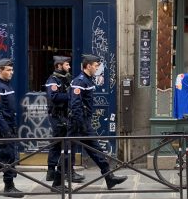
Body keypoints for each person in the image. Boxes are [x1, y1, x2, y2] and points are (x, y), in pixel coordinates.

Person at [51, 54, 128, 191]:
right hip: (77, 124)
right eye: (96, 66)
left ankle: (109, 177)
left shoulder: (87, 81)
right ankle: (57, 183)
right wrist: (80, 124)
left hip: (83, 123)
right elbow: (75, 105)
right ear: (88, 66)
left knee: (96, 150)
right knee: (68, 153)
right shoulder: (80, 82)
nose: (97, 69)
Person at [0, 58, 24, 198]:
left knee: (5, 157)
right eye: (8, 70)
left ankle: (8, 185)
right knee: (8, 156)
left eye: (12, 69)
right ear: (0, 71)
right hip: (2, 128)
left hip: (9, 126)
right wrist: (6, 131)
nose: (11, 72)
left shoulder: (7, 86)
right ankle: (9, 187)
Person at [45, 55, 85, 183]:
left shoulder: (66, 79)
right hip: (58, 116)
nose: (69, 66)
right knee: (62, 144)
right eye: (66, 64)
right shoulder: (53, 80)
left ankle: (56, 171)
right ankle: (62, 172)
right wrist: (70, 95)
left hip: (65, 115)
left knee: (62, 143)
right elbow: (54, 97)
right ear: (58, 66)